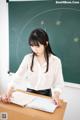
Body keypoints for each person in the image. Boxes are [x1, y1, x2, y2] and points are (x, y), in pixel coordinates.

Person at [2, 28, 64, 106]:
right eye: (32, 46)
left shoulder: (55, 61)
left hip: (46, 96)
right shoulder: (28, 58)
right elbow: (18, 76)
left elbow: (58, 83)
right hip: (28, 94)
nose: (34, 49)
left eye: (38, 46)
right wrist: (9, 90)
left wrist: (56, 95)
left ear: (46, 43)